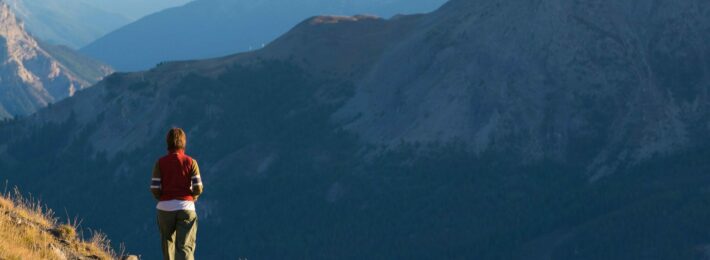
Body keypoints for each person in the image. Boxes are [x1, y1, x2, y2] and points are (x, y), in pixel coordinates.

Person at [150, 128, 203, 260]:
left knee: (168, 244)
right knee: (185, 247)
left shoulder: (160, 163)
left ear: (168, 143)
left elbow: (155, 188)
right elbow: (198, 187)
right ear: (183, 143)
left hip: (165, 208)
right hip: (186, 207)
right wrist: (193, 197)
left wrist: (162, 198)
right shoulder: (191, 162)